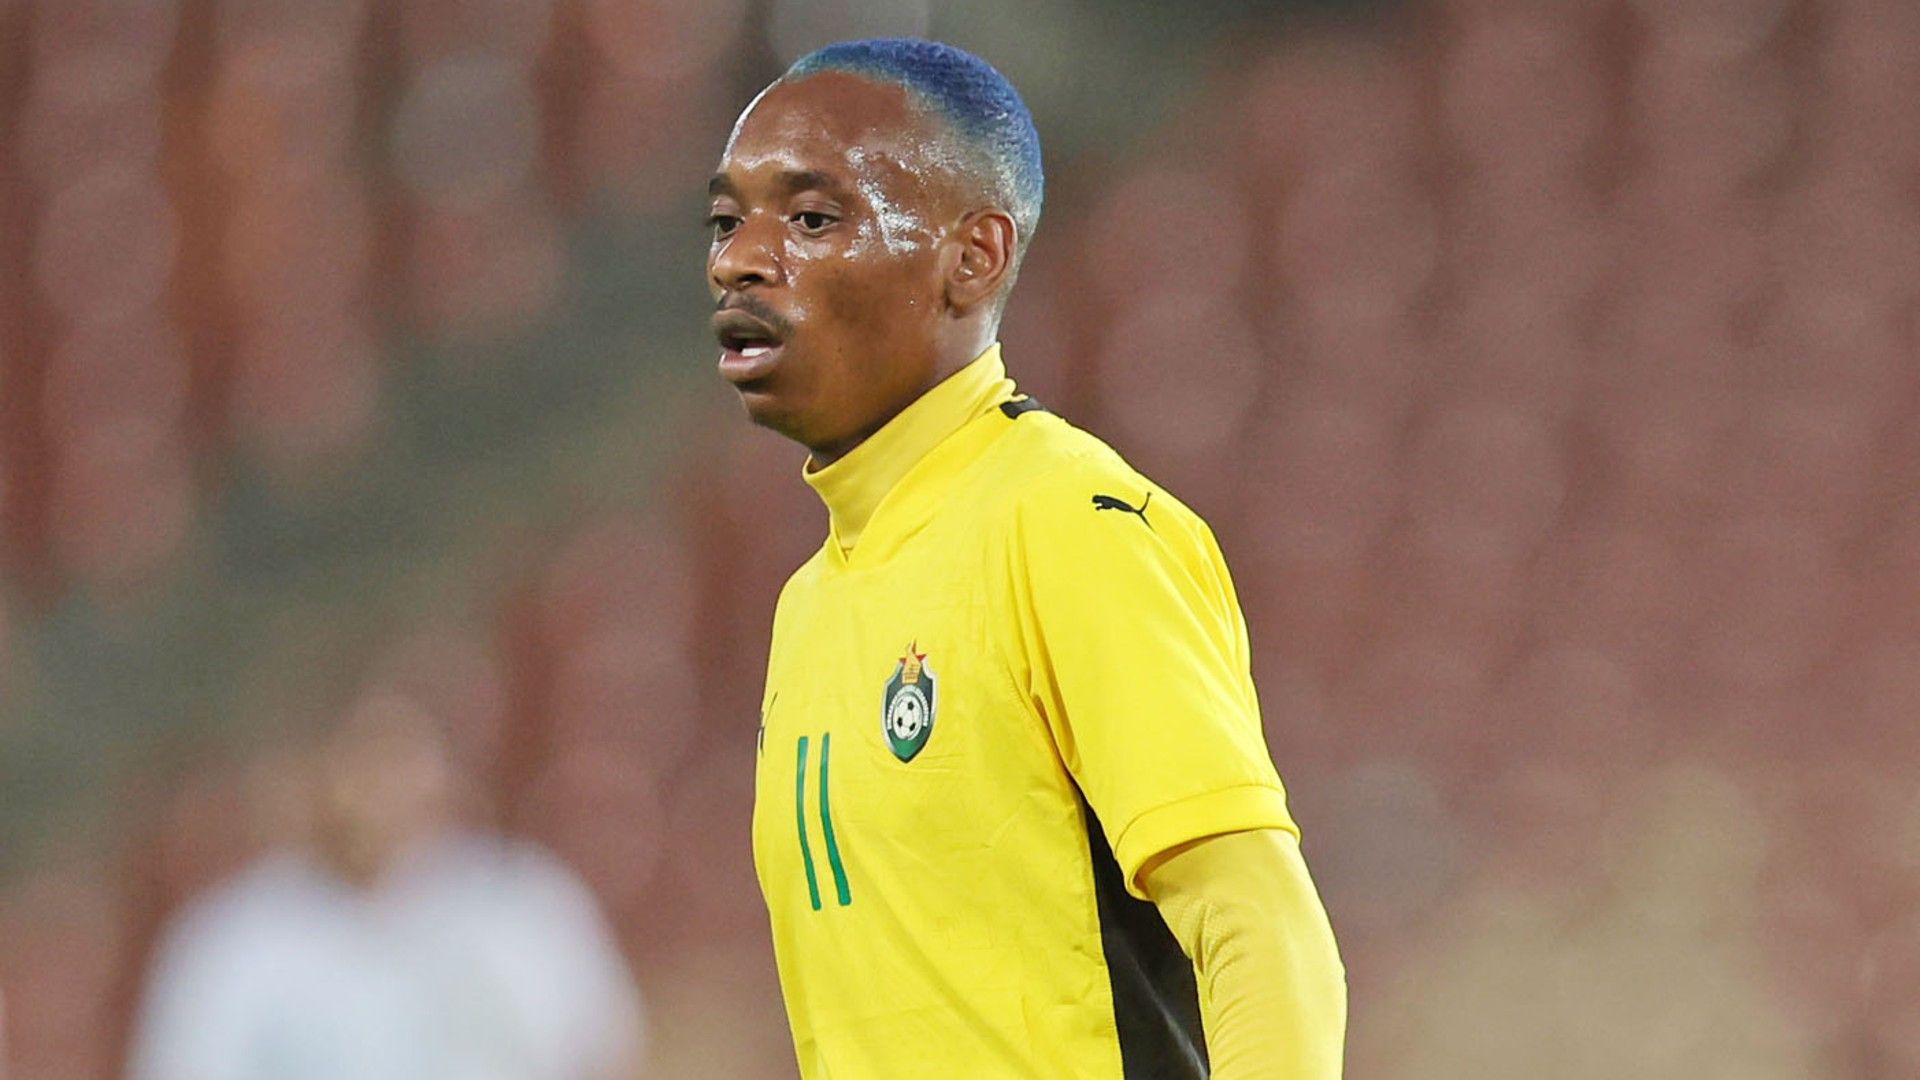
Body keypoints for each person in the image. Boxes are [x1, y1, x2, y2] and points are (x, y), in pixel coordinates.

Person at [706, 38, 1345, 1079]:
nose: (737, 260)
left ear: (975, 257)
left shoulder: (1065, 522)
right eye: (727, 221)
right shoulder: (809, 604)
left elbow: (1260, 924)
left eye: (812, 219)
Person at [128, 693, 646, 1080]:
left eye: (398, 762)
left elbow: (600, 1052)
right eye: (359, 765)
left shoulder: (519, 907)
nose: (377, 793)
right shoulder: (236, 939)